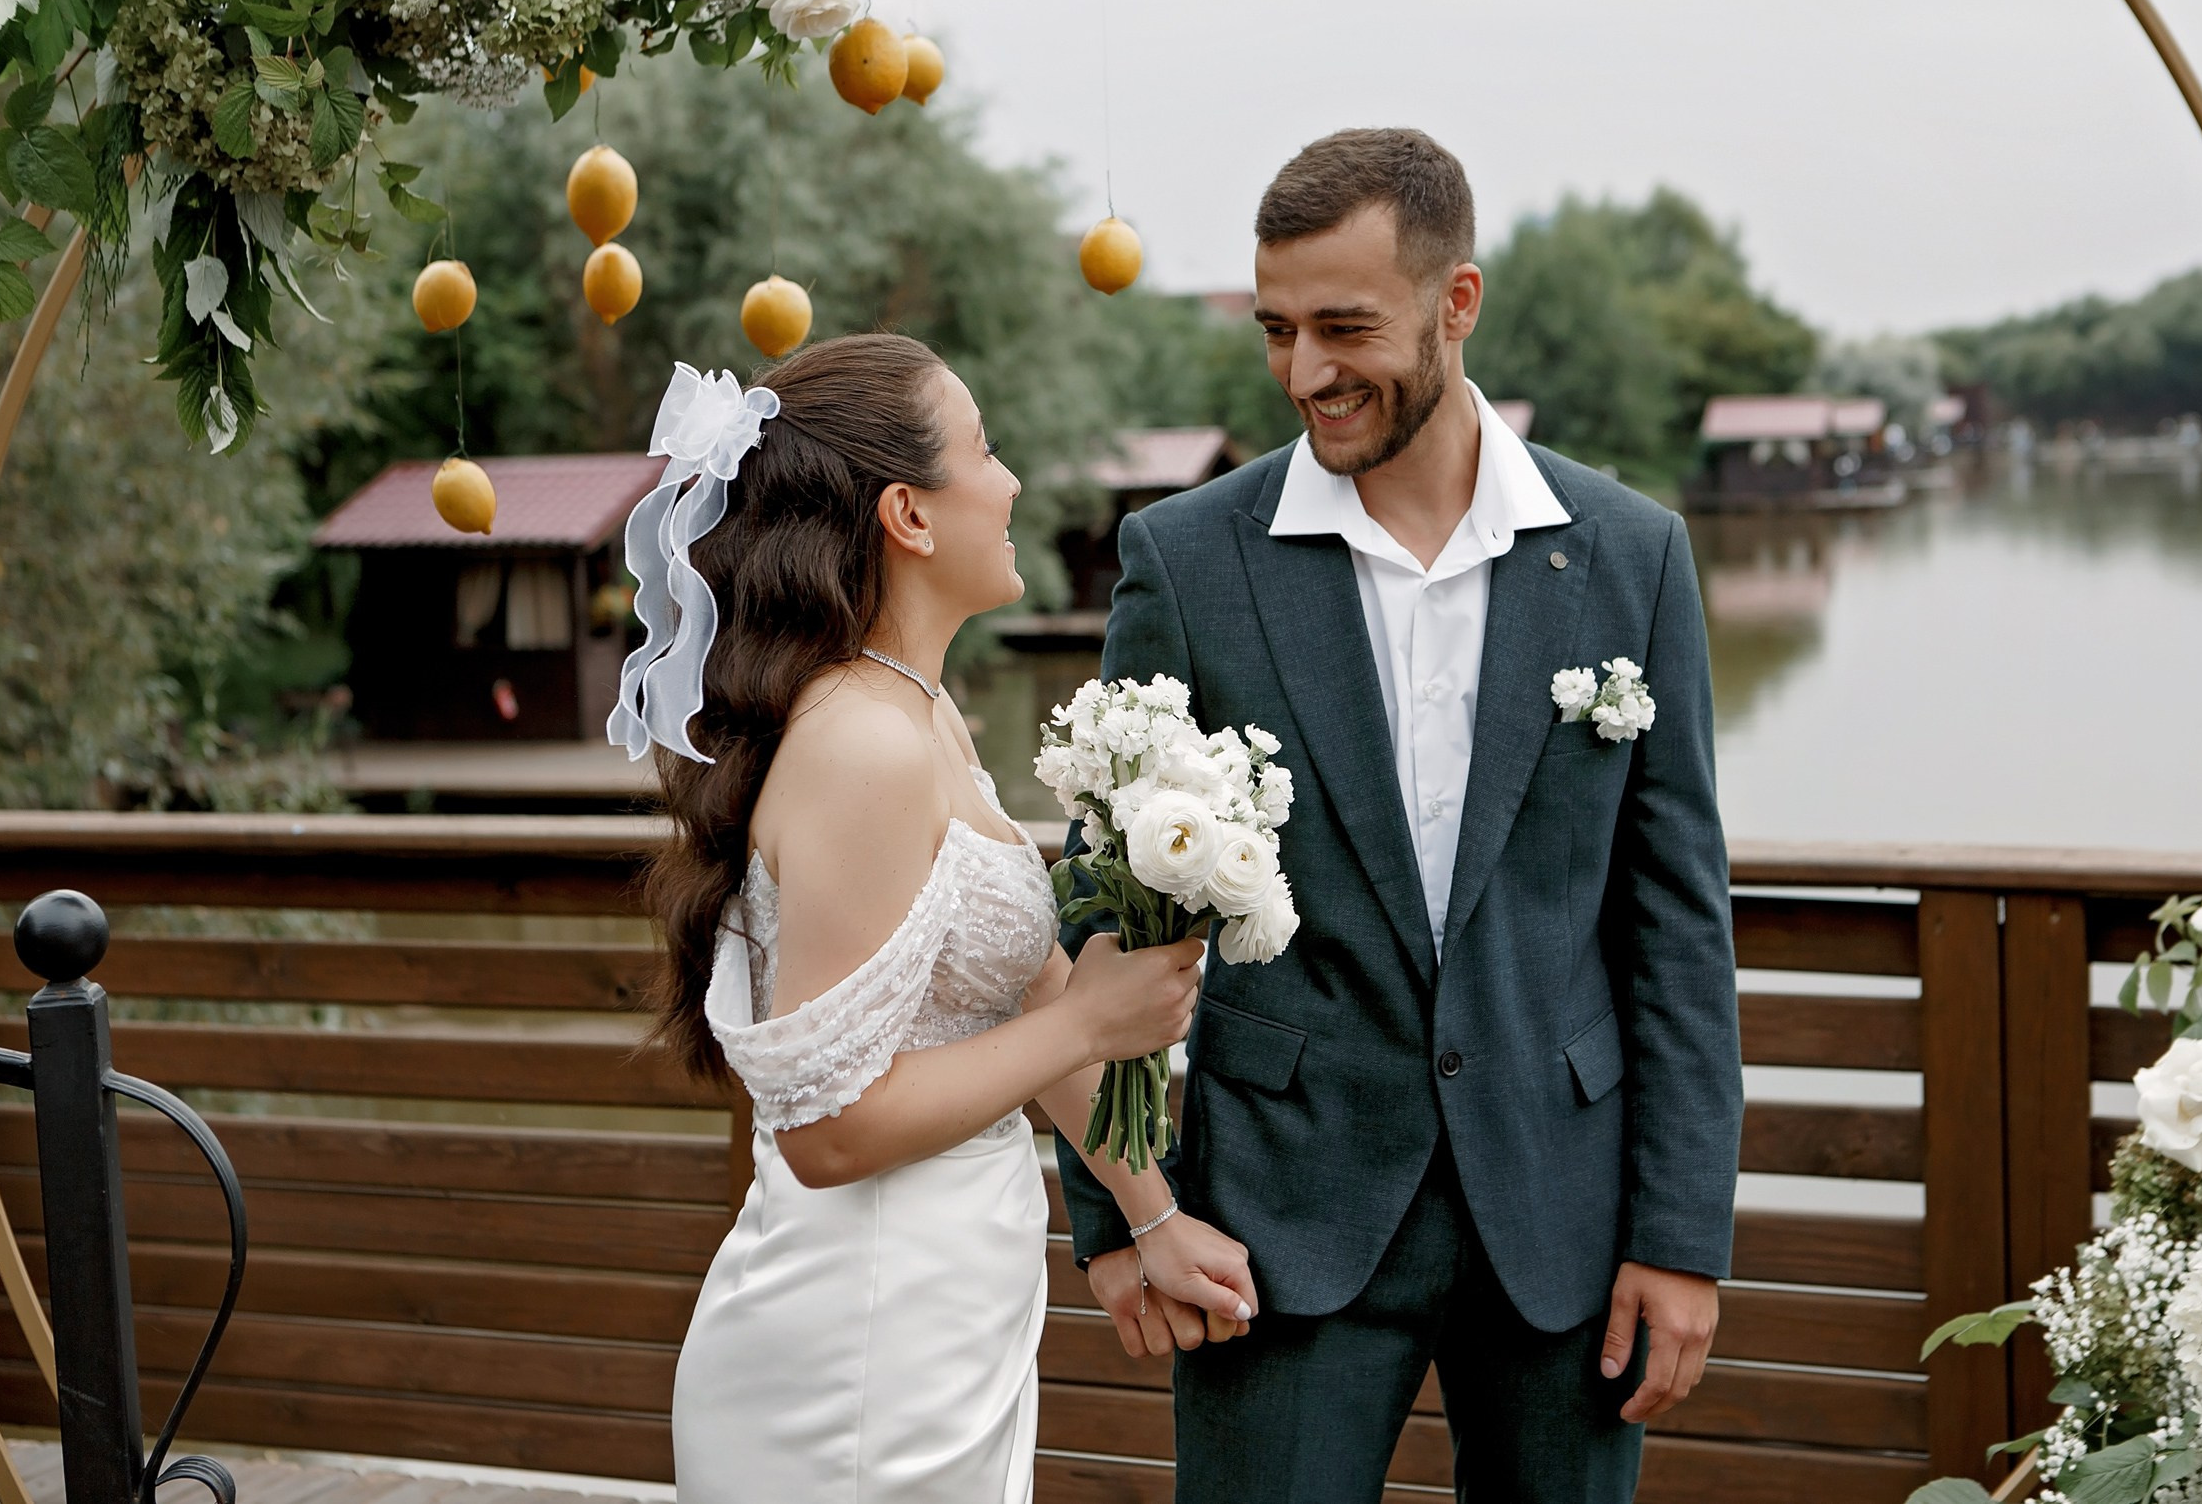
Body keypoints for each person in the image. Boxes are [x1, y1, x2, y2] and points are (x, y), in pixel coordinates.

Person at [1054, 130, 1744, 1501]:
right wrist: (1115, 1219)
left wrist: (1680, 1235)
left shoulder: (1630, 557)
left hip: (1565, 1216)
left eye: (1343, 326)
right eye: (1276, 330)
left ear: (1456, 303)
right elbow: (1101, 907)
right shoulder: (1183, 564)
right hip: (1275, 1222)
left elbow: (1675, 926)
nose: (1305, 371)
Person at [619, 334, 1261, 1504]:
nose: (1012, 482)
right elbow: (830, 1131)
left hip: (948, 1307)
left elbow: (1024, 999)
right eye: (987, 449)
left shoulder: (921, 714)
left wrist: (1151, 1212)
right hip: (860, 1336)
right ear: (910, 515)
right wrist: (1091, 1027)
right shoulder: (860, 743)